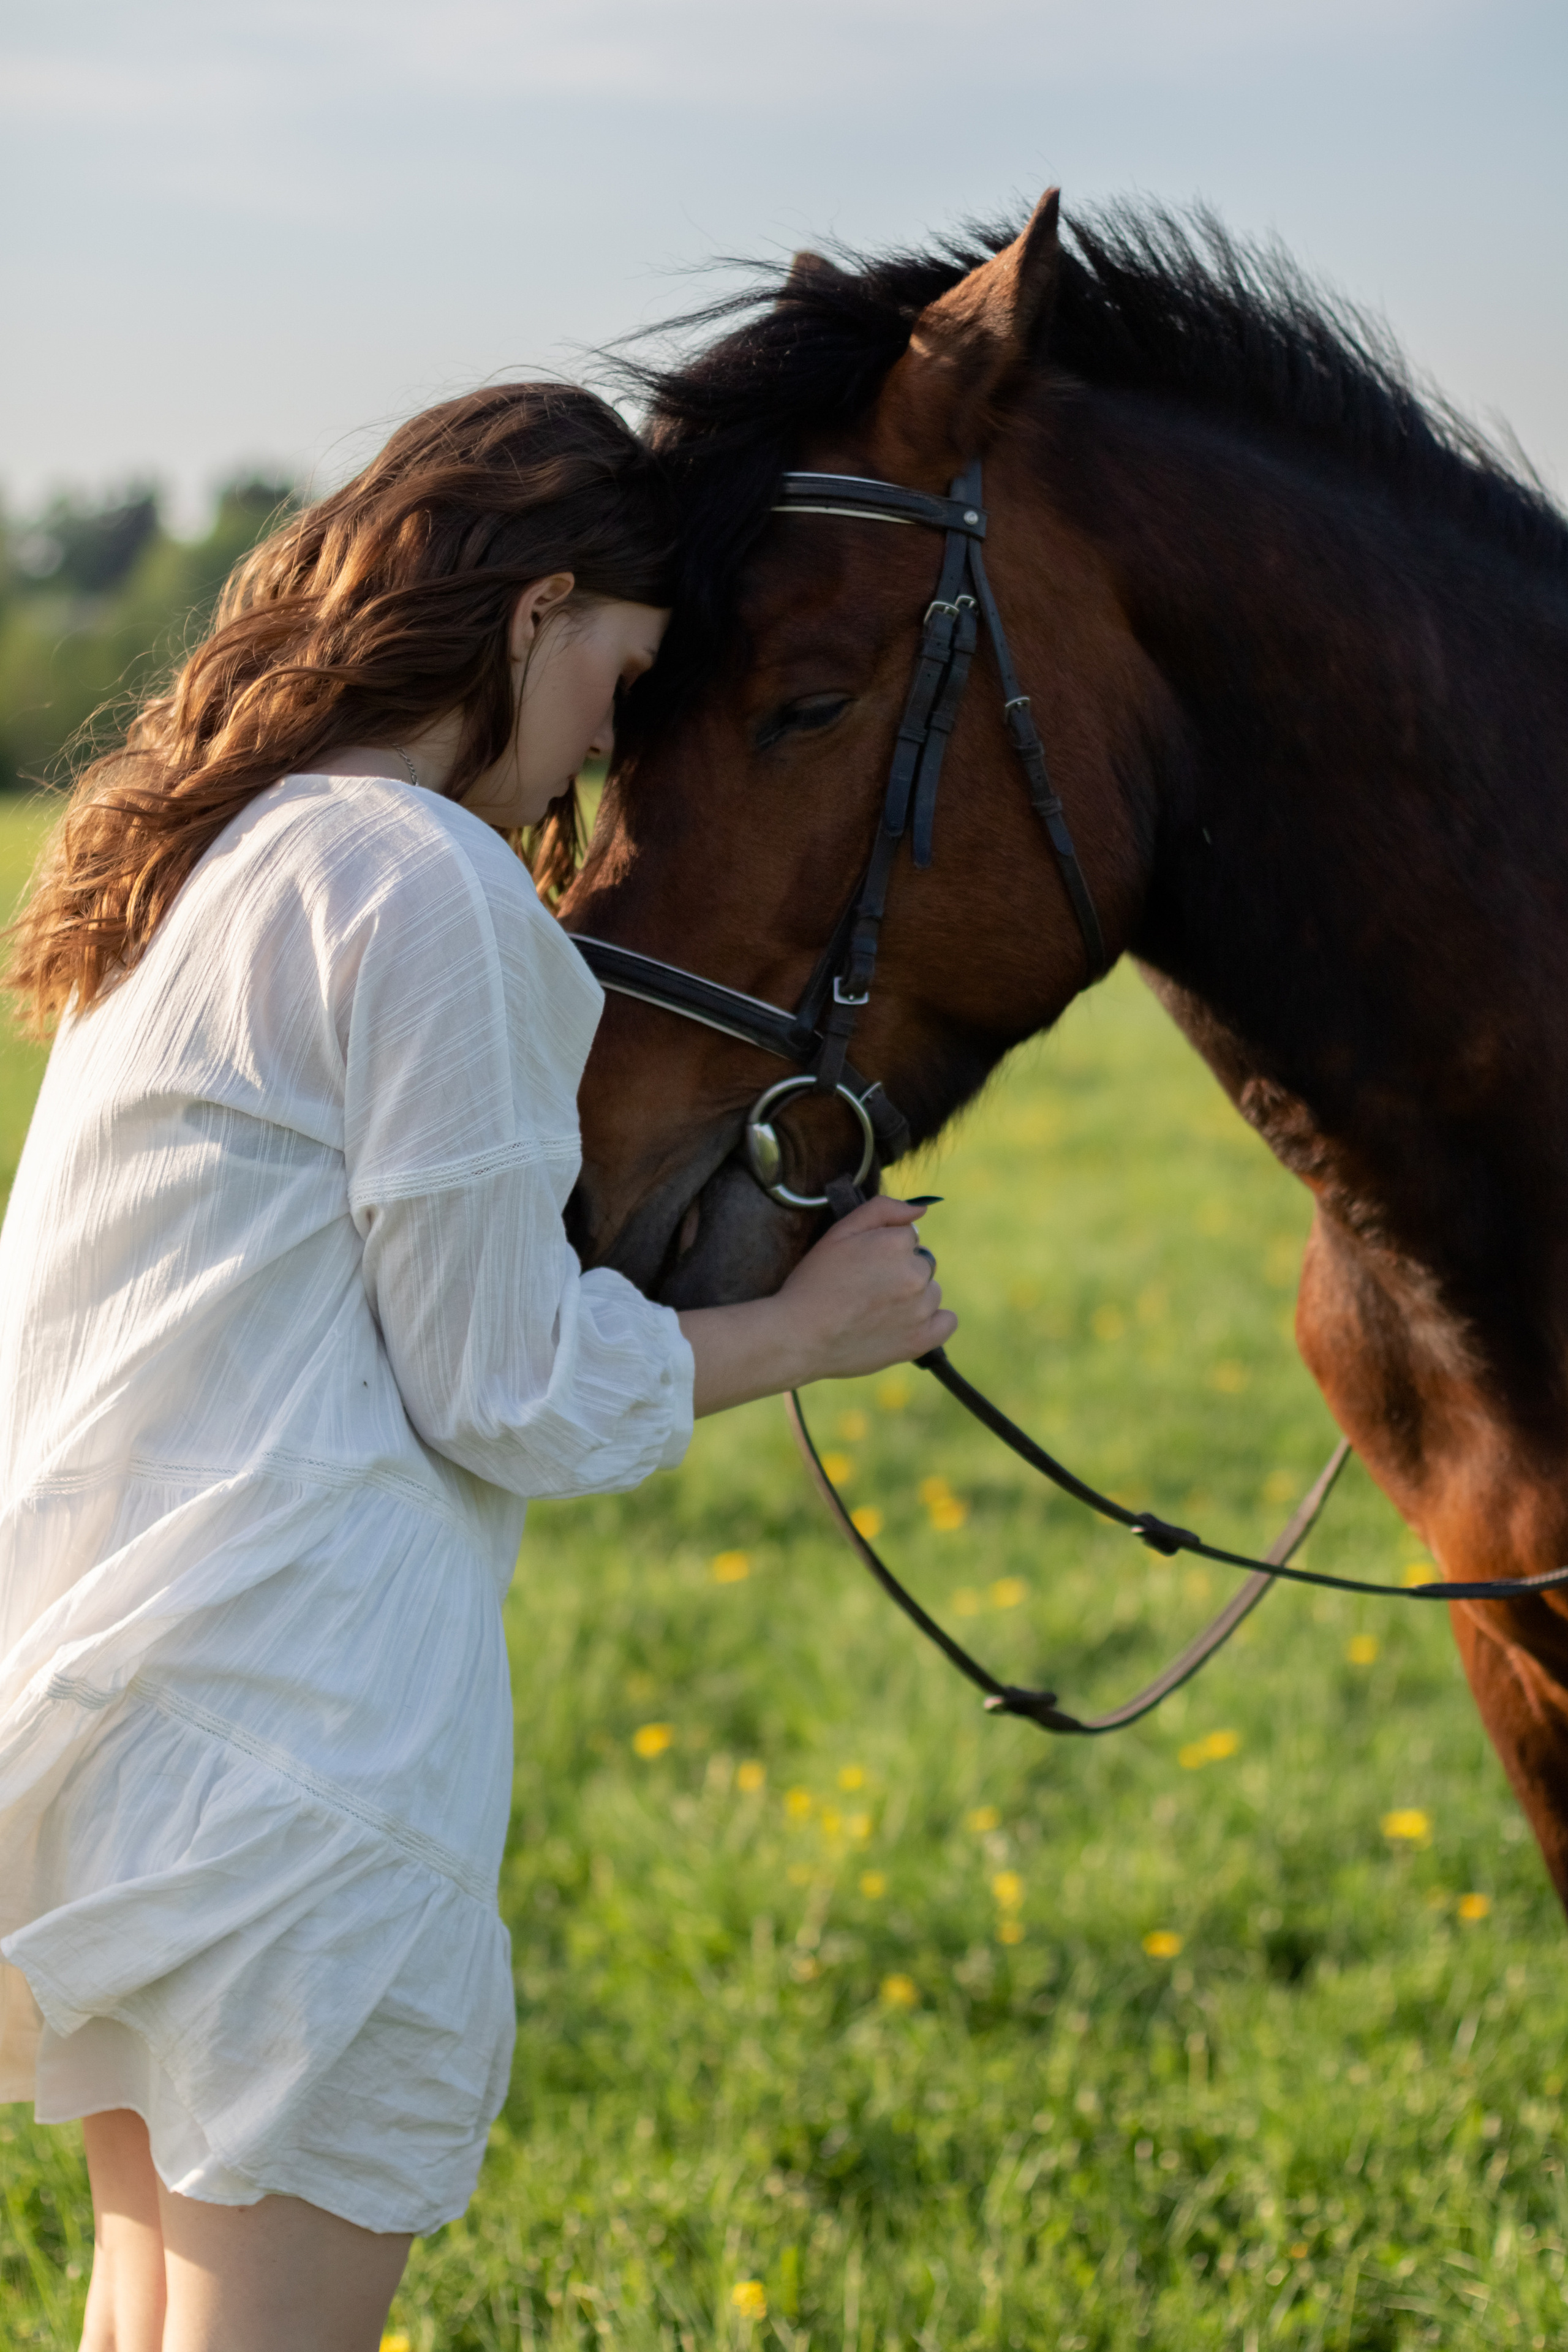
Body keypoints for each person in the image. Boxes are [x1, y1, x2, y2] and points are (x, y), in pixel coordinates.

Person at [0, 383, 955, 2352]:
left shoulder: (202, 867)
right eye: (621, 674)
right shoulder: (419, 881)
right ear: (534, 618)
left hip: (116, 1736)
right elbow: (501, 1385)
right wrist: (807, 1331)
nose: (611, 747)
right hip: (297, 1761)